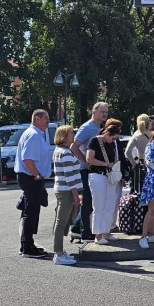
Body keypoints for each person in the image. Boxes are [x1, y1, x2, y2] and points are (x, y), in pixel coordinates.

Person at [14, 109, 52, 258]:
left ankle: (28, 244)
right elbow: (28, 159)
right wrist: (36, 174)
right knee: (31, 213)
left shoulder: (34, 134)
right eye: (46, 119)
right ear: (37, 119)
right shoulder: (34, 135)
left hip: (30, 177)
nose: (48, 121)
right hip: (31, 178)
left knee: (31, 211)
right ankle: (27, 247)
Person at [69, 102, 109, 241]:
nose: (104, 114)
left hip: (96, 169)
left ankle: (76, 228)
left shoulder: (100, 127)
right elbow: (74, 147)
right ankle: (84, 231)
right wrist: (85, 161)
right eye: (102, 112)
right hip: (86, 169)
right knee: (88, 200)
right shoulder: (86, 128)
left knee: (92, 199)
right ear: (94, 112)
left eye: (106, 112)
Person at [85, 122, 125, 244]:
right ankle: (98, 235)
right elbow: (89, 159)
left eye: (116, 139)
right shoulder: (95, 141)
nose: (114, 141)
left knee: (110, 205)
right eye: (113, 138)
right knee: (99, 206)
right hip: (97, 175)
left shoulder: (112, 143)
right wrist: (106, 164)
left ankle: (106, 232)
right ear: (107, 133)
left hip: (110, 176)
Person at [51, 125, 81, 265]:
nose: (73, 134)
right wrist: (76, 195)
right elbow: (69, 176)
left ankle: (61, 252)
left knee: (61, 222)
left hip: (61, 189)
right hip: (66, 191)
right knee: (61, 222)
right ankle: (58, 254)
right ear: (64, 136)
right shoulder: (66, 153)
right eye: (71, 133)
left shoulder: (59, 150)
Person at [126, 114, 151, 194]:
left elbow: (127, 151)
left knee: (139, 189)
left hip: (141, 164)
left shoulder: (136, 135)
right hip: (153, 164)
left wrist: (134, 164)